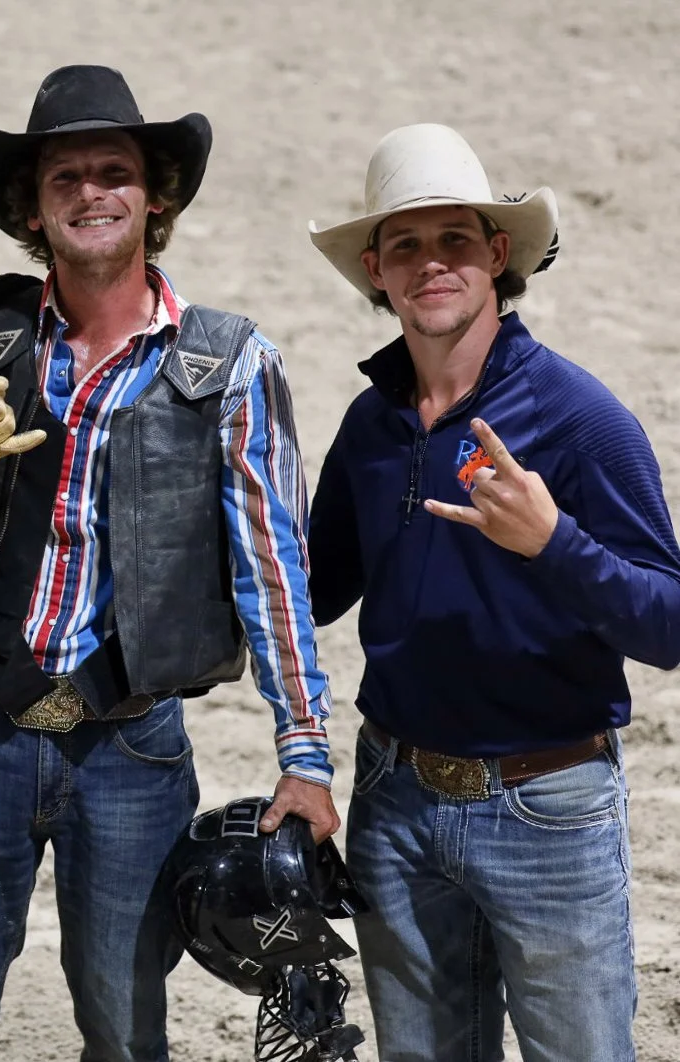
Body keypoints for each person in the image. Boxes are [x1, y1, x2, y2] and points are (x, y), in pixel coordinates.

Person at [0, 65, 339, 1061]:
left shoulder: (229, 364)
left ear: (154, 194)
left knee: (124, 1032)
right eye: (64, 177)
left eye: (112, 172)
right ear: (31, 210)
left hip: (132, 744)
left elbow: (271, 568)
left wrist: (302, 752)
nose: (91, 192)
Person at [307, 122, 680, 1062]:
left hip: (544, 804)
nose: (431, 264)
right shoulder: (370, 424)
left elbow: (668, 623)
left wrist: (552, 544)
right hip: (392, 801)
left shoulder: (580, 420)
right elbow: (313, 590)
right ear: (377, 274)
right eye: (405, 246)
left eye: (454, 241)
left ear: (496, 257)